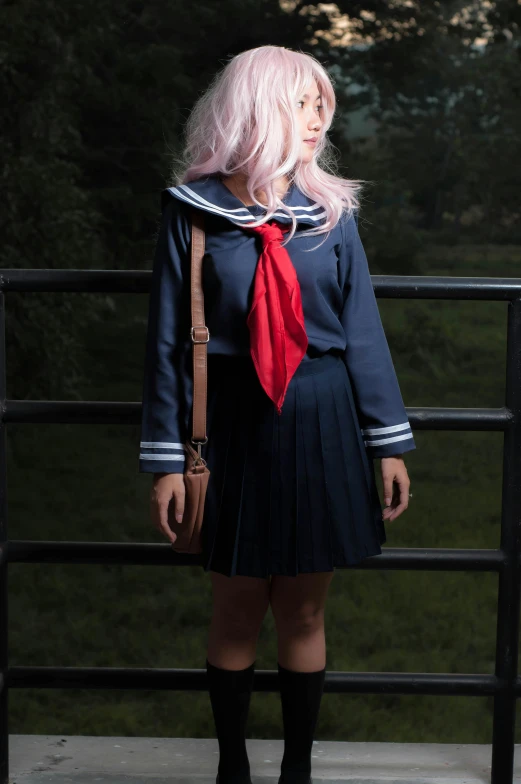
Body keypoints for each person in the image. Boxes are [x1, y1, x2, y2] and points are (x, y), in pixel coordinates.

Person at [138, 45, 415, 784]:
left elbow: (361, 331)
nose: (319, 118)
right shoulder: (193, 215)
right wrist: (165, 460)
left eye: (322, 103)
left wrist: (385, 442)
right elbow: (167, 344)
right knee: (233, 609)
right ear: (256, 110)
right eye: (302, 103)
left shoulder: (330, 215)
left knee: (302, 611)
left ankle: (297, 771)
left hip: (321, 420)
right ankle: (233, 768)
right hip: (228, 423)